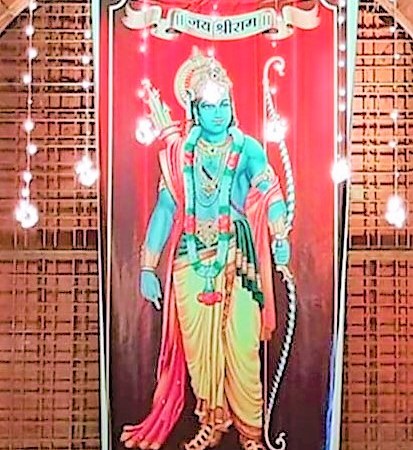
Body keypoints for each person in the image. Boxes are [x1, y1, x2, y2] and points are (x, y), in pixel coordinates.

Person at [121, 48, 290, 450]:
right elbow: (166, 209)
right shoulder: (179, 155)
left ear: (232, 105)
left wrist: (280, 235)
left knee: (243, 346)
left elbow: (271, 191)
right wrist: (147, 266)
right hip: (190, 258)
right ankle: (213, 422)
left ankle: (251, 434)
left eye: (224, 104)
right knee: (200, 353)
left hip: (237, 256)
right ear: (194, 109)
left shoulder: (247, 148)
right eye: (209, 106)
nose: (217, 113)